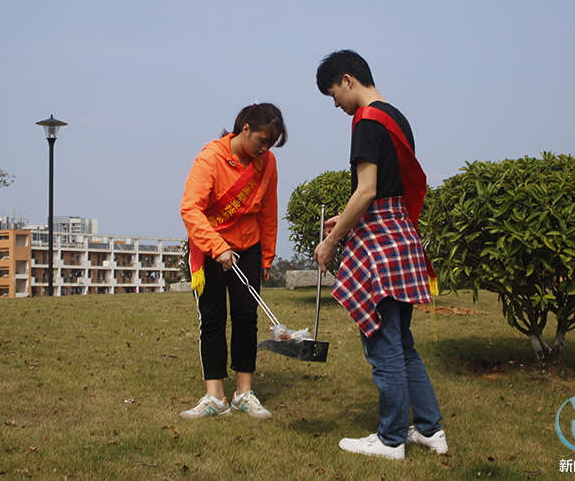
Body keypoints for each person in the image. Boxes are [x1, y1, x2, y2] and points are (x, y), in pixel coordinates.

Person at [314, 50, 447, 459]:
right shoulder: (396, 117)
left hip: (380, 243)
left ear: (348, 80)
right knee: (402, 343)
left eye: (333, 93)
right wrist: (344, 218)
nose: (335, 104)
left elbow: (368, 189)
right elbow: (389, 188)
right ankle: (430, 431)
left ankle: (391, 439)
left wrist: (331, 241)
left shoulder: (366, 120)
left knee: (382, 344)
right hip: (401, 234)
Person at [179, 103, 287, 420]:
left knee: (246, 317)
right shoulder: (210, 158)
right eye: (262, 140)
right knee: (213, 317)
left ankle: (244, 394)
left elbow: (268, 212)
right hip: (210, 248)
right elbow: (190, 209)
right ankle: (215, 397)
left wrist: (267, 256)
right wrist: (217, 247)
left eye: (271, 144)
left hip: (249, 247)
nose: (265, 149)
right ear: (245, 129)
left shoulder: (267, 164)